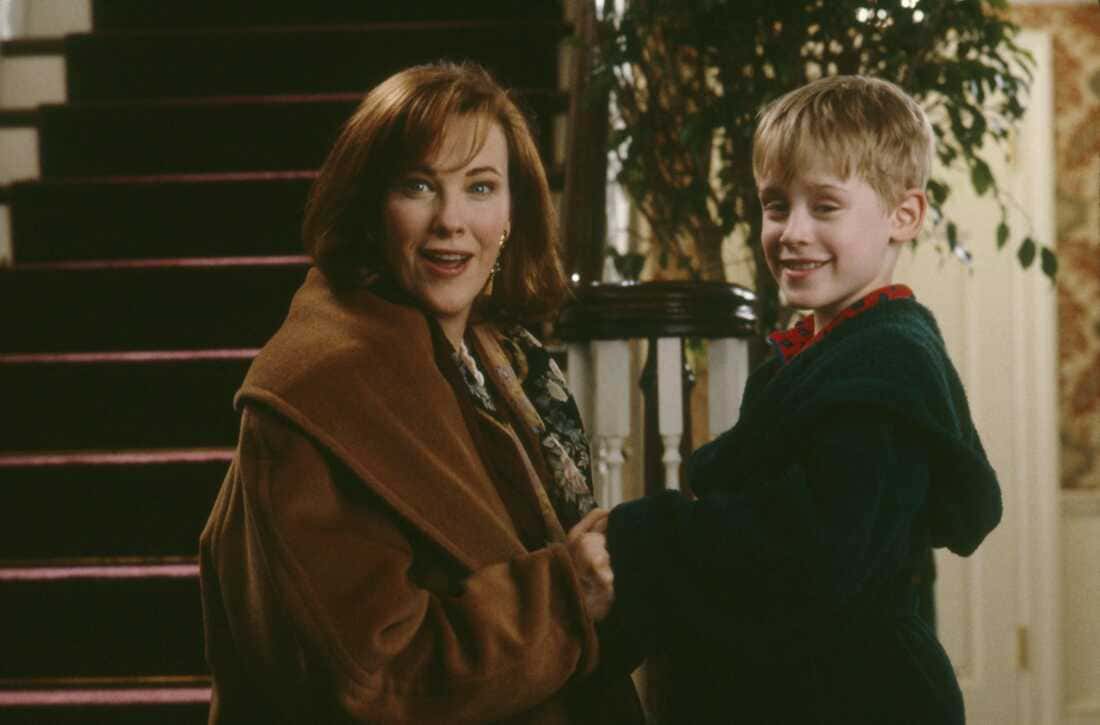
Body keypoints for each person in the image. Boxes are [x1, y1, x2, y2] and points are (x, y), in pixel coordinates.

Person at [199, 62, 644, 724]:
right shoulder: (319, 392)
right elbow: (375, 677)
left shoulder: (505, 360)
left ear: (512, 213)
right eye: (418, 186)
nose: (451, 220)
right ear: (369, 208)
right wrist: (563, 597)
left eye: (480, 187)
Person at [603, 75, 1003, 724]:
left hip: (858, 701)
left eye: (824, 206)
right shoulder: (823, 350)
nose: (791, 231)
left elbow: (807, 553)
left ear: (904, 216)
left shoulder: (887, 363)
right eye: (775, 205)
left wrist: (641, 535)